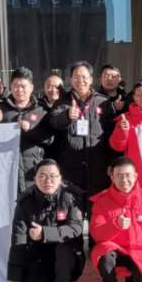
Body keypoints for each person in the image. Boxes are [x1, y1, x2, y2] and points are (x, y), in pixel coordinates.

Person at [7, 160, 86, 282]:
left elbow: (75, 228)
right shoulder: (25, 202)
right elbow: (18, 240)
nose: (48, 180)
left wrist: (44, 233)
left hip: (66, 253)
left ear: (60, 178)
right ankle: (50, 279)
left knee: (64, 248)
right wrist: (14, 275)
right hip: (40, 252)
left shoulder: (71, 196)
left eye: (53, 176)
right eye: (42, 176)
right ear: (35, 180)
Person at [48, 61, 116, 199]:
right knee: (72, 205)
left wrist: (112, 162)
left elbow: (112, 135)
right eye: (76, 77)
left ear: (90, 79)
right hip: (70, 167)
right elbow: (53, 123)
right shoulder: (62, 102)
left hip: (98, 167)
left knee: (97, 206)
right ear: (71, 80)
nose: (80, 81)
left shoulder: (103, 102)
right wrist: (66, 116)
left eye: (84, 77)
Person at [0, 67, 54, 194]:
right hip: (6, 168)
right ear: (10, 86)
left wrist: (31, 129)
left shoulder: (41, 110)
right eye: (16, 86)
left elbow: (50, 139)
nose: (19, 90)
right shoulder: (1, 109)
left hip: (33, 169)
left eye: (23, 86)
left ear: (31, 87)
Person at [39, 74, 65, 164]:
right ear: (44, 88)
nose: (53, 90)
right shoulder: (37, 106)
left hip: (64, 152)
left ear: (62, 88)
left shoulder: (68, 106)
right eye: (49, 87)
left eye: (57, 87)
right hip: (43, 152)